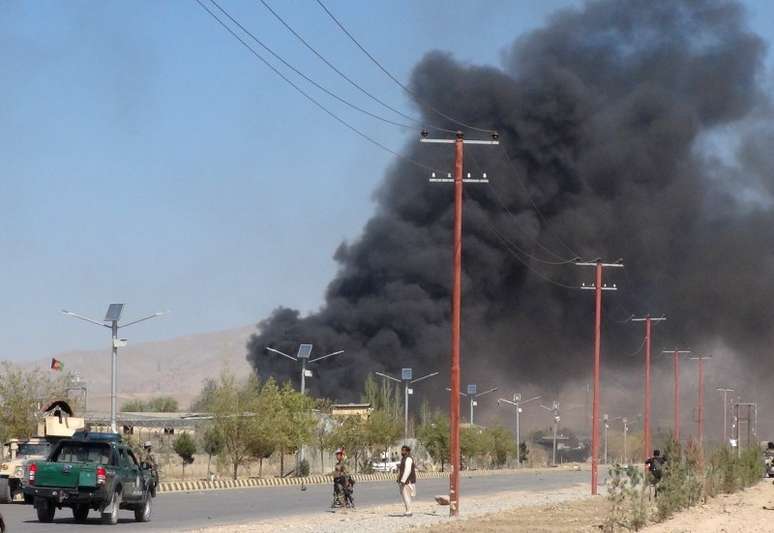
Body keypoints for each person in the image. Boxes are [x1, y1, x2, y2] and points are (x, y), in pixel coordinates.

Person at [397, 445, 416, 517]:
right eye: (402, 450)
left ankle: (409, 511)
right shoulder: (404, 459)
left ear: (407, 451)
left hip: (407, 481)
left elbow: (408, 470)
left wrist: (403, 481)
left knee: (406, 496)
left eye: (404, 450)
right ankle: (408, 510)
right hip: (404, 480)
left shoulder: (408, 459)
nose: (402, 452)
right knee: (405, 496)